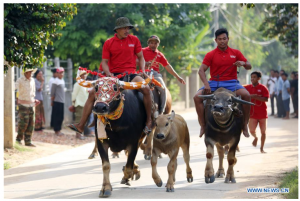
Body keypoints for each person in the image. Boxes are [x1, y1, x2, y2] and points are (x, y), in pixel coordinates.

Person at [68, 17, 153, 135]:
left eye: (128, 28)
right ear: (117, 30)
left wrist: (142, 70)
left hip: (131, 74)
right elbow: (104, 62)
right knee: (93, 93)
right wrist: (108, 73)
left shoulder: (134, 40)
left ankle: (149, 121)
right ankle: (81, 125)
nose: (127, 30)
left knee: (147, 89)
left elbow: (141, 57)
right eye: (124, 28)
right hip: (113, 76)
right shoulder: (109, 42)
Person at [193, 28, 252, 138]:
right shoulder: (210, 54)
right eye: (219, 39)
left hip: (232, 82)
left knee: (247, 95)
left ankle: (244, 125)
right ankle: (203, 125)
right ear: (215, 40)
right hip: (214, 82)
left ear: (228, 39)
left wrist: (243, 62)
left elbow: (249, 66)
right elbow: (201, 71)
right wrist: (206, 84)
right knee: (197, 97)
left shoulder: (236, 53)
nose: (222, 41)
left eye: (224, 38)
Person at [142, 35, 185, 114]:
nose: (153, 45)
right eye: (151, 43)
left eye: (155, 43)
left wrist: (178, 77)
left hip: (155, 74)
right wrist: (144, 63)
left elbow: (167, 66)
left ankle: (161, 111)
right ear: (148, 43)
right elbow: (135, 60)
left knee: (163, 89)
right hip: (143, 73)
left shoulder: (159, 55)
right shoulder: (142, 51)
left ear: (158, 44)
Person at [244, 71, 269, 153]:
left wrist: (255, 97)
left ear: (259, 78)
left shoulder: (263, 88)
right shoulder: (247, 87)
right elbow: (240, 90)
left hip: (262, 114)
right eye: (251, 77)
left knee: (263, 132)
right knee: (251, 131)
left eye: (254, 77)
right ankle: (255, 138)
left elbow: (266, 99)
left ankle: (261, 148)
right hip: (252, 114)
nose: (252, 79)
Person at [15, 68, 40, 147]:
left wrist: (34, 100)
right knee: (23, 123)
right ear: (26, 73)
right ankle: (18, 140)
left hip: (31, 105)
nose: (31, 73)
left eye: (31, 72)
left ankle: (28, 141)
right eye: (30, 72)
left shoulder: (32, 80)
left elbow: (33, 92)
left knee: (31, 124)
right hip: (23, 105)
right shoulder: (20, 80)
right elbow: (14, 88)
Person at [71, 71, 93, 140]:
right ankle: (78, 135)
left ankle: (82, 133)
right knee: (79, 119)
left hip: (85, 104)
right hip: (79, 104)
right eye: (83, 74)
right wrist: (73, 104)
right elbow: (74, 95)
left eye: (85, 74)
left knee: (84, 120)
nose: (85, 75)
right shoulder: (78, 84)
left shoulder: (84, 84)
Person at [51, 67, 65, 135]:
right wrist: (52, 101)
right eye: (60, 73)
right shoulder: (55, 81)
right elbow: (52, 92)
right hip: (57, 101)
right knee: (57, 116)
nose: (61, 74)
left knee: (61, 116)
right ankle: (56, 130)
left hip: (62, 101)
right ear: (57, 73)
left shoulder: (62, 80)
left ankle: (59, 129)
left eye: (62, 73)